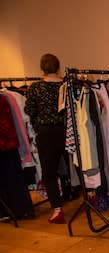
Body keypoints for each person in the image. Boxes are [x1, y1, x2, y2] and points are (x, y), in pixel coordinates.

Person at [25, 53, 67, 224]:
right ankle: (90, 196)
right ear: (57, 67)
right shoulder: (66, 85)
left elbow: (29, 110)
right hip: (65, 129)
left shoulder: (35, 87)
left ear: (42, 68)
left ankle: (58, 210)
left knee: (49, 173)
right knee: (75, 166)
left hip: (46, 133)